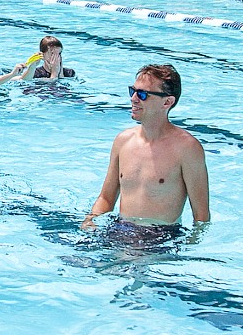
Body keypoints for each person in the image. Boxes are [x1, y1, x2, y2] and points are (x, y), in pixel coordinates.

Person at [83, 63, 210, 229]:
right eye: (132, 91)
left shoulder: (187, 149)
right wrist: (90, 221)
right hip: (121, 230)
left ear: (167, 102)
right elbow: (106, 198)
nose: (133, 98)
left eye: (142, 94)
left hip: (160, 238)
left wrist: (189, 246)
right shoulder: (123, 141)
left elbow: (201, 217)